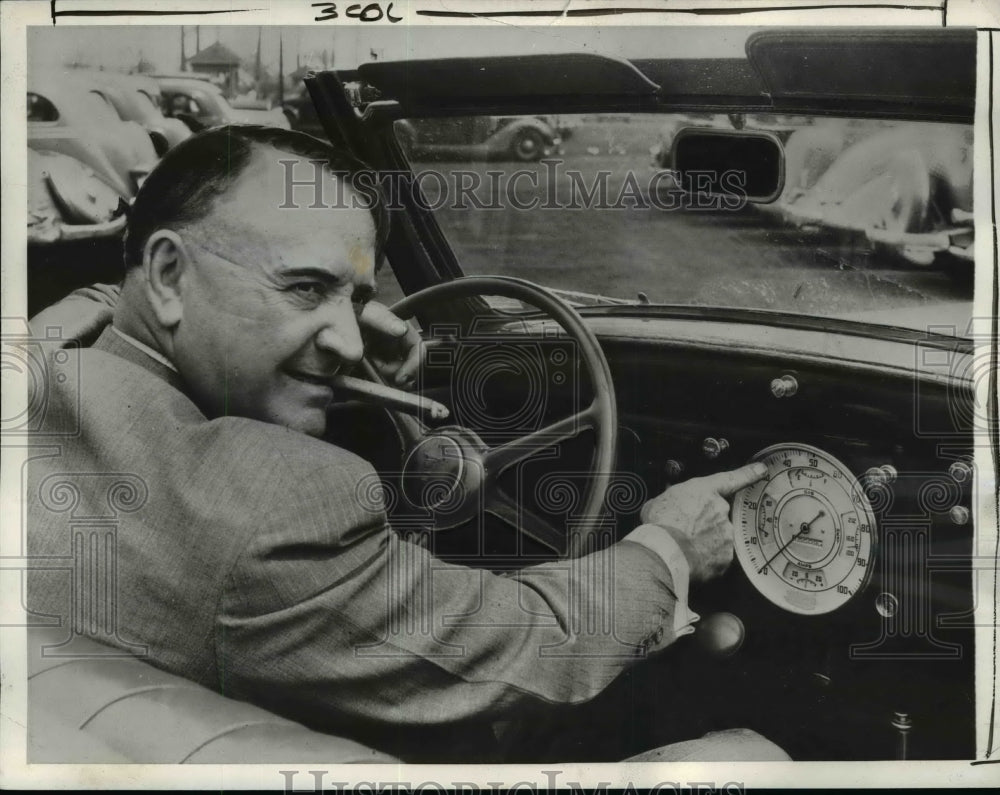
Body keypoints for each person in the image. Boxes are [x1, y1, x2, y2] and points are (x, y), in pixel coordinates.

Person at [27, 125, 785, 762]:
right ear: (166, 273)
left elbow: (100, 305)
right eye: (305, 288)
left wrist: (331, 361)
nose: (351, 337)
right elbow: (539, 646)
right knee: (756, 755)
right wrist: (671, 545)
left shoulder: (39, 368)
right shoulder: (272, 502)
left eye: (357, 298)